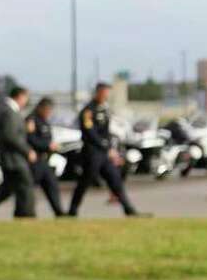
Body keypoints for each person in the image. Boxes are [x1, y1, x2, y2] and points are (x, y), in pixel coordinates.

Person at [66, 82, 141, 217]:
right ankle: (73, 210)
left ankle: (129, 209)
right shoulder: (89, 110)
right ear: (99, 92)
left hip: (104, 153)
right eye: (105, 92)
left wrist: (110, 149)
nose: (107, 95)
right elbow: (90, 133)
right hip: (92, 153)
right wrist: (105, 146)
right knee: (85, 182)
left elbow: (106, 132)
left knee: (115, 180)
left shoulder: (104, 109)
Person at [0, 86, 35, 219]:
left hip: (13, 157)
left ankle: (21, 215)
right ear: (20, 96)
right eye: (26, 97)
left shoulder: (9, 110)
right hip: (12, 158)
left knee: (6, 191)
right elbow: (10, 135)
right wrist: (27, 150)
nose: (26, 101)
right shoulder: (7, 110)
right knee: (26, 185)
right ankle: (26, 215)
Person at [26, 97, 65, 215]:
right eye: (47, 110)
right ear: (41, 108)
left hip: (45, 160)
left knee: (52, 186)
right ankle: (27, 212)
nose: (49, 113)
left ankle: (59, 212)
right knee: (28, 189)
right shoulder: (31, 120)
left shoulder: (44, 121)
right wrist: (48, 145)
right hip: (34, 161)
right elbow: (30, 139)